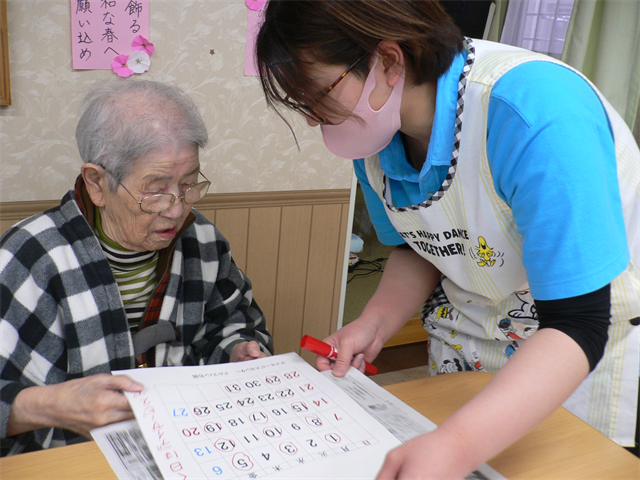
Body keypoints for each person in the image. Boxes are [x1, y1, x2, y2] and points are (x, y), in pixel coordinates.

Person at [255, 0, 639, 478]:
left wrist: (456, 444)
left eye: (317, 94)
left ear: (390, 62)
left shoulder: (533, 113)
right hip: (472, 341)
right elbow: (417, 246)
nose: (313, 118)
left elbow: (577, 323)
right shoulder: (374, 131)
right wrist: (372, 325)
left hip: (571, 352)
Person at [0, 80, 274, 456]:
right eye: (155, 190)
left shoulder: (203, 243)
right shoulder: (30, 256)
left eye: (189, 184)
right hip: (69, 461)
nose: (177, 209)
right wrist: (49, 405)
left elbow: (233, 323)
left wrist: (238, 350)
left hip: (187, 448)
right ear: (97, 183)